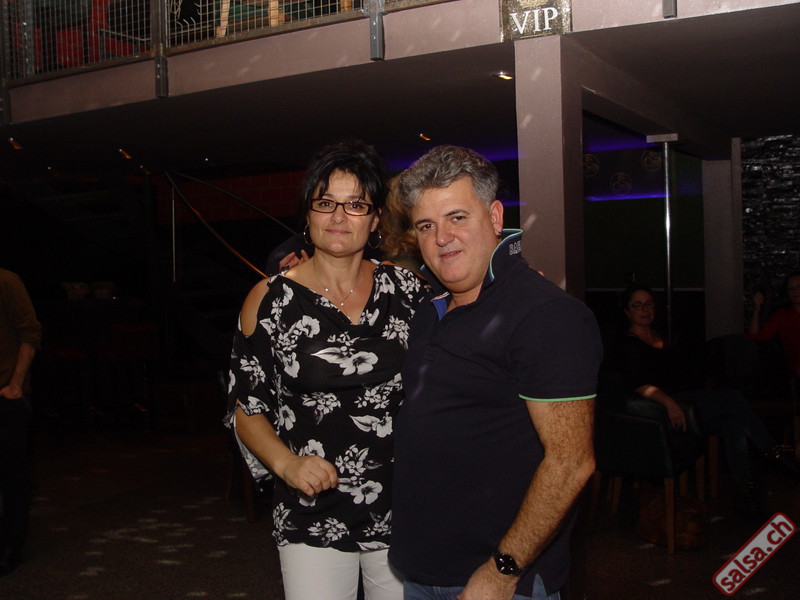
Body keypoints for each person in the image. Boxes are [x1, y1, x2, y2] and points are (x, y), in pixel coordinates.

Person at [389, 146, 602, 600]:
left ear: (495, 216)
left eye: (457, 217)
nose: (441, 237)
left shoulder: (545, 315)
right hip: (423, 570)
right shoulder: (430, 310)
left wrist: (503, 570)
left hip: (496, 580)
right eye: (426, 225)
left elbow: (571, 463)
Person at [226, 140, 426, 600]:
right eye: (325, 202)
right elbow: (246, 406)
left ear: (375, 219)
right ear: (308, 213)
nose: (339, 216)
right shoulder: (270, 300)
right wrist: (287, 463)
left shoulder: (408, 291)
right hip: (311, 508)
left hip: (403, 504)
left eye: (356, 204)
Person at [615, 285, 797, 515]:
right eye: (637, 305)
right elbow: (637, 384)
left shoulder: (661, 336)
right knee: (732, 398)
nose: (645, 310)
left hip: (684, 404)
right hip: (657, 412)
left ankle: (747, 493)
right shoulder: (628, 344)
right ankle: (774, 454)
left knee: (733, 425)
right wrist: (669, 403)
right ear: (627, 312)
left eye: (649, 304)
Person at [0, 268, 42, 576]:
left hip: (5, 394)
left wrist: (16, 384)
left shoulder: (5, 281)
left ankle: (10, 547)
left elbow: (30, 332)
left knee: (10, 475)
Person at [747, 271, 800, 376]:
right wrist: (757, 309)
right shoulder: (782, 316)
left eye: (799, 286)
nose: (795, 291)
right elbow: (757, 337)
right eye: (791, 288)